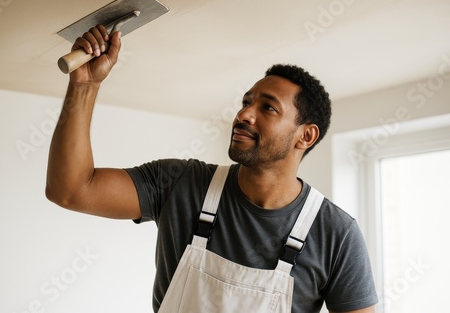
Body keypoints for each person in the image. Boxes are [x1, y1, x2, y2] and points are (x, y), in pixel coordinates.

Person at [46, 25, 378, 313]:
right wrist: (84, 86)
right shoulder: (181, 183)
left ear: (305, 135)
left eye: (267, 108)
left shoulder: (337, 235)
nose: (245, 114)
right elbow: (71, 190)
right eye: (246, 102)